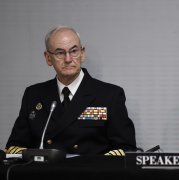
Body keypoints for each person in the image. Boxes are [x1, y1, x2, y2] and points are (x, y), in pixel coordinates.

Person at [5, 25, 136, 155]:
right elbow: (16, 146)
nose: (68, 59)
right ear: (48, 58)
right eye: (60, 53)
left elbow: (125, 148)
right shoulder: (33, 94)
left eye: (73, 51)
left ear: (82, 53)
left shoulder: (109, 95)